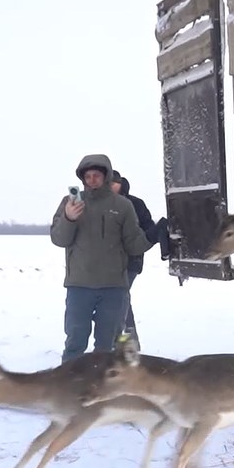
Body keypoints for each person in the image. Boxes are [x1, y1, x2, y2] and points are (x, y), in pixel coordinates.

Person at [49, 154, 152, 362]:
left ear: (106, 176)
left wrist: (155, 236)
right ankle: (70, 386)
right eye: (88, 176)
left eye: (97, 175)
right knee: (75, 343)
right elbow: (59, 239)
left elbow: (134, 245)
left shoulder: (122, 206)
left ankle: (104, 390)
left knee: (108, 348)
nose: (92, 180)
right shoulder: (69, 204)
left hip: (113, 288)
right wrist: (69, 218)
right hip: (79, 286)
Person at [108, 170, 168, 340]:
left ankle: (126, 339)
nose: (111, 186)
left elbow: (148, 230)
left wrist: (133, 236)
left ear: (120, 184)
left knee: (119, 297)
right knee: (118, 298)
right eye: (108, 183)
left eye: (114, 183)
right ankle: (126, 340)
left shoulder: (135, 204)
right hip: (107, 262)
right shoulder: (102, 204)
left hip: (131, 260)